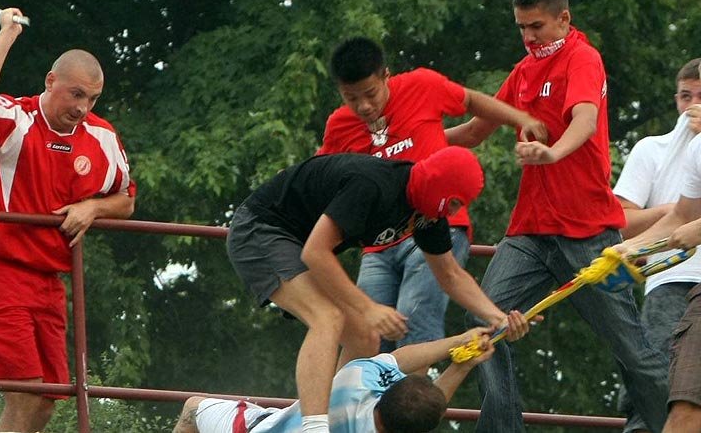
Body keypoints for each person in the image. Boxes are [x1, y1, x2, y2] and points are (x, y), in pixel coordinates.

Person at [445, 0, 668, 432]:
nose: (528, 38)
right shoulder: (523, 73)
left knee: (634, 353)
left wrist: (552, 151)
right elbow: (471, 131)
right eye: (521, 28)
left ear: (563, 19)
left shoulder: (583, 58)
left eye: (537, 27)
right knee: (484, 320)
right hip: (530, 234)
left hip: (590, 237)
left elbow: (585, 121)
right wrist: (407, 146)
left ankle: (676, 426)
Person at [226, 147, 531, 432]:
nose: (453, 212)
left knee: (364, 336)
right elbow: (315, 253)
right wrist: (368, 307)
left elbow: (451, 275)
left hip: (296, 243)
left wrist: (498, 318)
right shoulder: (374, 185)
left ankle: (325, 418)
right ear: (439, 185)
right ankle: (315, 426)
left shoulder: (426, 213)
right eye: (454, 202)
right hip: (261, 229)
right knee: (328, 318)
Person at [0, 8, 136, 433]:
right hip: (0, 273)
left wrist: (93, 207)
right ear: (50, 81)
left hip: (51, 285)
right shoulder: (16, 120)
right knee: (26, 396)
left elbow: (126, 200)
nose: (83, 107)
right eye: (76, 94)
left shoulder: (103, 138)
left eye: (92, 99)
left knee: (47, 402)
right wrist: (7, 34)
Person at [317, 37, 547, 362]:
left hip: (434, 227)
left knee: (416, 326)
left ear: (386, 75)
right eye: (351, 98)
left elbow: (472, 102)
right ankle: (344, 410)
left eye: (370, 94)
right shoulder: (339, 126)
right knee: (364, 336)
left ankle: (410, 411)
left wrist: (522, 120)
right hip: (379, 245)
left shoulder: (422, 85)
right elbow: (327, 182)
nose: (364, 106)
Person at [171, 321, 526, 433]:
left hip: (255, 428)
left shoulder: (356, 378)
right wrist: (462, 364)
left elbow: (399, 358)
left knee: (193, 408)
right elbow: (427, 407)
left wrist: (457, 343)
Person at [614, 58, 701, 433]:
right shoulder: (655, 150)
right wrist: (628, 251)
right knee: (655, 385)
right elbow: (626, 225)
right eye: (686, 96)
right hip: (669, 281)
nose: (693, 104)